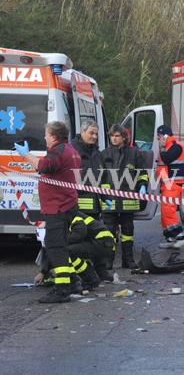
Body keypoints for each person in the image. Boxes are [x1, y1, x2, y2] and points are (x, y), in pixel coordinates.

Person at [14, 121, 82, 303]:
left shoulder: (58, 151)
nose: (44, 137)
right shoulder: (70, 150)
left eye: (46, 134)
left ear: (53, 136)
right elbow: (50, 170)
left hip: (59, 207)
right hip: (64, 205)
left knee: (55, 247)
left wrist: (26, 154)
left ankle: (62, 289)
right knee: (60, 245)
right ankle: (73, 282)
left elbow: (45, 166)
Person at [70, 120, 114, 281]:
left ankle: (100, 271)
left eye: (96, 133)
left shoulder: (97, 153)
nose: (94, 136)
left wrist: (106, 197)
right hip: (77, 207)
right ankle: (77, 274)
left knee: (97, 240)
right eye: (91, 133)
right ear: (82, 132)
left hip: (95, 207)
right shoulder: (72, 150)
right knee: (76, 241)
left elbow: (103, 178)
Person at [101, 125, 148, 269]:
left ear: (124, 138)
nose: (114, 139)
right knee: (109, 231)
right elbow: (99, 177)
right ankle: (108, 261)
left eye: (117, 136)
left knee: (128, 231)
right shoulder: (104, 154)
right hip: (109, 200)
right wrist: (102, 195)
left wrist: (143, 185)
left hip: (128, 200)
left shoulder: (134, 153)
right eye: (112, 136)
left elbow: (142, 172)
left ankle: (128, 259)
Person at [34, 212, 114, 291]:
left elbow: (80, 231)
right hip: (102, 243)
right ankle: (87, 279)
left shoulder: (69, 215)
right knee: (66, 251)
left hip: (101, 242)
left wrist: (64, 244)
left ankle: (90, 279)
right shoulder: (68, 214)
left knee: (67, 252)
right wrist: (43, 272)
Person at [156, 125, 184, 249]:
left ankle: (181, 236)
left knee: (168, 210)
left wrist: (162, 147)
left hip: (174, 184)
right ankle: (171, 238)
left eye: (159, 136)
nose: (158, 139)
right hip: (167, 184)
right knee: (165, 213)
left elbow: (166, 159)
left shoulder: (175, 146)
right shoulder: (168, 146)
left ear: (166, 136)